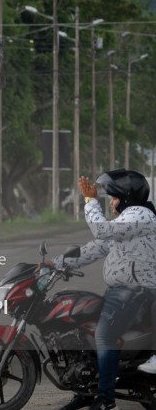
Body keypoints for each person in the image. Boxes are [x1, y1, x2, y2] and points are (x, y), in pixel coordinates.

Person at [53, 169, 156, 410]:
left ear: (127, 197)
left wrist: (90, 200)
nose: (110, 203)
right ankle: (87, 392)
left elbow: (101, 230)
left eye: (114, 198)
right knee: (85, 332)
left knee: (104, 335)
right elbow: (95, 248)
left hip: (136, 289)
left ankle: (106, 400)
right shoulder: (124, 223)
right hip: (120, 290)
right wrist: (55, 264)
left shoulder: (140, 214)